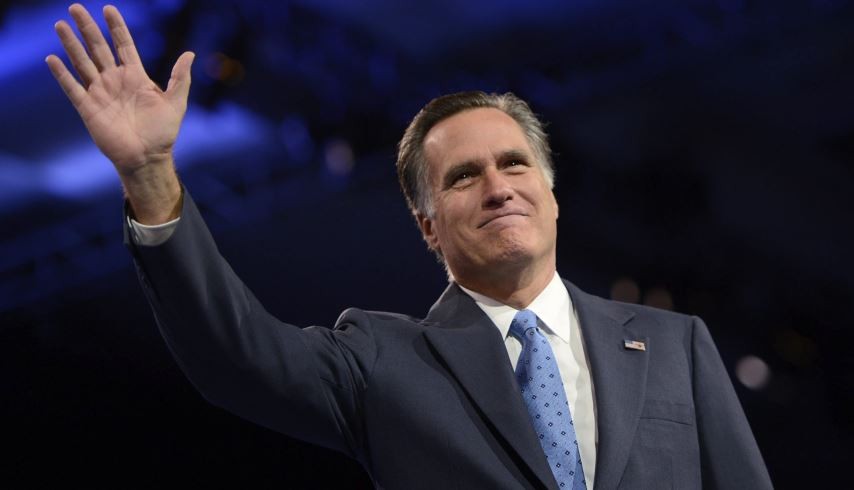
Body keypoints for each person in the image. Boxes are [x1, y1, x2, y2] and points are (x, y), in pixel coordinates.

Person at [47, 4, 773, 489]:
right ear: (427, 225)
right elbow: (236, 354)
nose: (498, 188)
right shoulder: (381, 363)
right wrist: (150, 175)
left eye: (515, 164)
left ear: (552, 195)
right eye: (464, 176)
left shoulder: (675, 344)